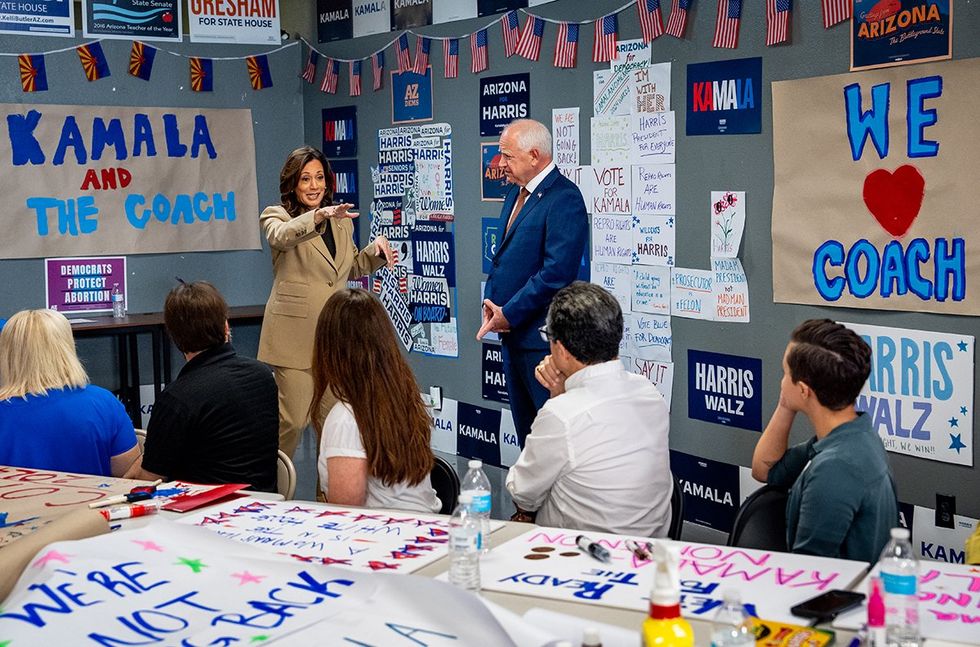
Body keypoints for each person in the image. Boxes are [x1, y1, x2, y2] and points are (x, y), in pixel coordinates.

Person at [258, 146, 394, 459]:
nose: (314, 185)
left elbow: (351, 268)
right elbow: (281, 237)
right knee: (292, 423)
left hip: (335, 339)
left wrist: (375, 253)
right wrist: (318, 216)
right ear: (293, 183)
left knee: (335, 426)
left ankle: (329, 499)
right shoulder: (276, 215)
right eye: (305, 179)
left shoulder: (341, 221)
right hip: (294, 341)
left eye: (319, 177)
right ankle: (274, 492)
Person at [505, 282, 672, 536]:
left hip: (577, 559)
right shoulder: (648, 392)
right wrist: (562, 396)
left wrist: (557, 399)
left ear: (560, 349)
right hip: (649, 555)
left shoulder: (561, 416)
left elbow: (523, 494)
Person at [478, 119, 588, 447]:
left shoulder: (564, 197)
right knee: (528, 441)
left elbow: (556, 273)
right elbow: (504, 260)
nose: (501, 164)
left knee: (550, 440)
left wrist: (509, 312)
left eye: (508, 157)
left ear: (535, 155)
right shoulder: (515, 194)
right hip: (512, 338)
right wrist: (493, 305)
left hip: (542, 344)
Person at [751, 319, 898, 563]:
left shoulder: (837, 467)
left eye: (785, 374)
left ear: (804, 390)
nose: (781, 381)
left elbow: (811, 571)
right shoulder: (853, 435)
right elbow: (764, 470)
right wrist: (786, 404)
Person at [135, 281, 279, 492]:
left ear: (174, 337)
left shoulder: (177, 398)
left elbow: (149, 478)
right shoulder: (262, 375)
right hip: (264, 507)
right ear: (226, 326)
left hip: (200, 513)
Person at [310, 288, 440, 513]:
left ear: (329, 350)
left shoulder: (346, 418)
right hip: (418, 530)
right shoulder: (404, 397)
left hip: (381, 538)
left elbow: (345, 513)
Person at [0, 309, 139, 477]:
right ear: (67, 347)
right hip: (90, 502)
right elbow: (130, 479)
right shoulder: (103, 403)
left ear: (7, 353)